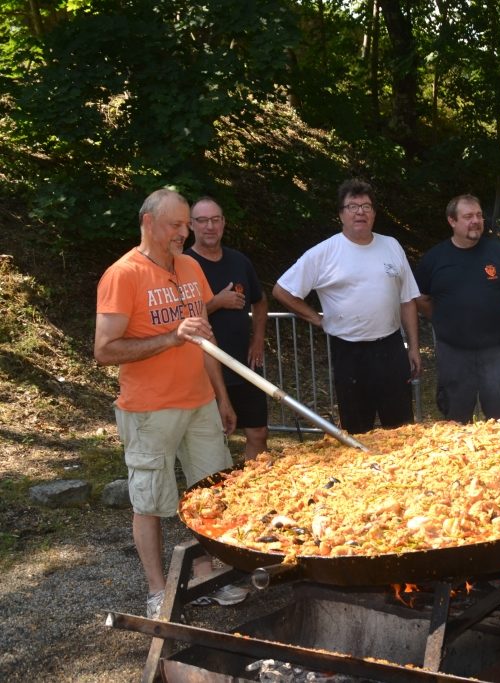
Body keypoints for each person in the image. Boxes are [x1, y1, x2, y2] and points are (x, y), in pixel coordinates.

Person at [94, 189, 248, 619]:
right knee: (149, 502)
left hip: (199, 402)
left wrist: (221, 396)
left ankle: (204, 576)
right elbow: (105, 350)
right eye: (175, 225)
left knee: (210, 492)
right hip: (149, 410)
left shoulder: (190, 265)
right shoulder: (123, 275)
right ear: (148, 222)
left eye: (186, 225)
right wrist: (170, 337)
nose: (185, 233)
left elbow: (202, 338)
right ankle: (158, 590)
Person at [272, 179, 421, 434]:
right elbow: (281, 290)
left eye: (366, 206)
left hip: (391, 348)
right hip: (350, 353)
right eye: (352, 206)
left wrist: (414, 348)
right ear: (341, 214)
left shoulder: (392, 245)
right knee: (357, 430)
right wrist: (316, 319)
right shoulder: (324, 252)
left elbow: (407, 299)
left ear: (374, 213)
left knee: (401, 429)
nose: (360, 212)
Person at [414, 194, 500, 422]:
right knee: (456, 420)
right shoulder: (435, 258)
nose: (475, 221)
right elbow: (422, 299)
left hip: (495, 351)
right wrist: (446, 319)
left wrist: (490, 310)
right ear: (452, 221)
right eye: (468, 216)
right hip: (454, 353)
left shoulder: (498, 252)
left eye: (479, 215)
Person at [186, 196, 269, 461]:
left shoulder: (239, 261)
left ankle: (253, 489)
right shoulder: (184, 265)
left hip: (244, 364)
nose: (209, 226)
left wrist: (257, 340)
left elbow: (260, 300)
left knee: (258, 433)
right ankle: (218, 494)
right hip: (202, 367)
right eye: (202, 220)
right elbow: (181, 319)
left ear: (223, 223)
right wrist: (215, 303)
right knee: (212, 439)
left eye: (215, 220)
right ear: (190, 225)